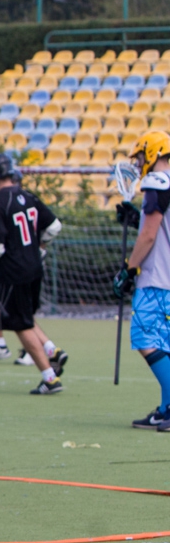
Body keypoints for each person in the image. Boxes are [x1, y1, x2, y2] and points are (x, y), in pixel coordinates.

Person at [0, 153, 65, 395]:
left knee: (21, 324)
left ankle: (49, 378)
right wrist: (38, 247)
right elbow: (54, 227)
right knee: (24, 317)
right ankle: (51, 351)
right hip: (34, 267)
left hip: (14, 270)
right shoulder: (28, 197)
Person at [115, 131, 170, 431]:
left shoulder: (157, 182)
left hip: (159, 277)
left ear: (153, 152)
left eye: (139, 156)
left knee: (146, 339)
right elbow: (157, 226)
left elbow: (150, 234)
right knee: (165, 344)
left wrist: (130, 269)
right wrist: (136, 218)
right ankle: (165, 408)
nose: (137, 163)